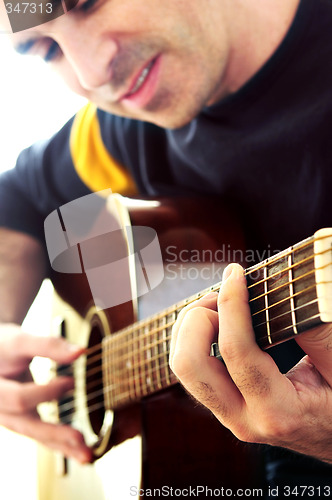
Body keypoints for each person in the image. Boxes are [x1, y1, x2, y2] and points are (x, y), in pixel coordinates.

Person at [0, 0, 332, 488]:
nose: (91, 76)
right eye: (41, 47)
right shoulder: (125, 125)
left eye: (89, 4)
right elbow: (18, 201)